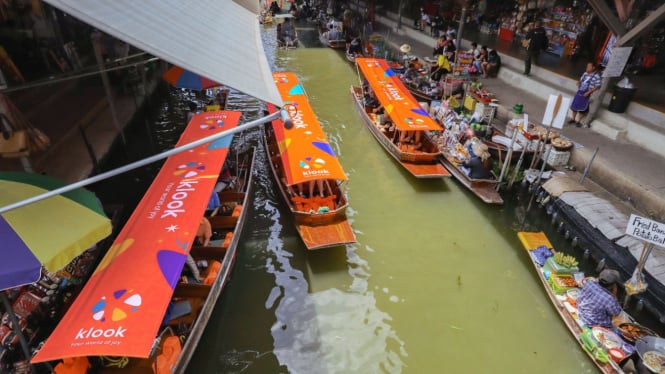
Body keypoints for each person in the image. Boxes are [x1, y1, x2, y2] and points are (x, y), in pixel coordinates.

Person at [568, 62, 602, 127]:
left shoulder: (596, 76)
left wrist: (589, 92)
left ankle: (578, 121)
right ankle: (573, 119)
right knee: (574, 105)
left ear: (593, 68)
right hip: (580, 91)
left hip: (588, 93)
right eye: (587, 67)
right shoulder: (585, 74)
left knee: (583, 109)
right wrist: (579, 83)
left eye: (589, 67)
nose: (587, 68)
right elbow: (581, 81)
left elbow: (598, 86)